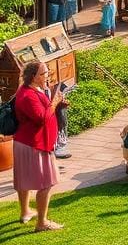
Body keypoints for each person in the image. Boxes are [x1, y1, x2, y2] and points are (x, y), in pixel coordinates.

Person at [13, 61, 64, 232]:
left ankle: (25, 211)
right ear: (33, 77)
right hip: (34, 144)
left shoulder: (32, 90)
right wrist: (55, 103)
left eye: (47, 72)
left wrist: (58, 104)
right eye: (43, 74)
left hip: (28, 142)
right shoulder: (28, 95)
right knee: (46, 182)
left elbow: (44, 110)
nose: (47, 76)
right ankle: (42, 223)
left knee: (24, 180)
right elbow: (41, 117)